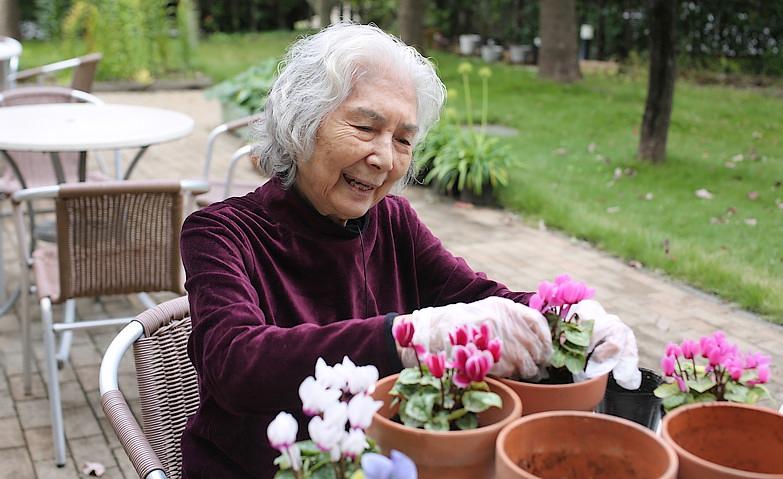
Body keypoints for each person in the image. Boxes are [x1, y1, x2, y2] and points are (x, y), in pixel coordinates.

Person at [180, 22, 618, 478]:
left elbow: (474, 297)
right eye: (366, 127)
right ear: (301, 122)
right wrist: (407, 339)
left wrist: (567, 318)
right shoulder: (221, 232)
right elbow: (235, 363)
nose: (385, 159)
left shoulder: (393, 222)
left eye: (403, 139)